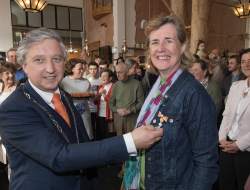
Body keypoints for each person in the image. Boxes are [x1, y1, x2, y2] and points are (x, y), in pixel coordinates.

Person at [0, 28, 163, 190]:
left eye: (56, 59)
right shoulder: (13, 109)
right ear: (25, 66)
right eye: (39, 60)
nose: (50, 68)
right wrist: (130, 142)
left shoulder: (64, 96)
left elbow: (81, 141)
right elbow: (59, 156)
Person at [122, 15, 219, 190]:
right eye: (155, 42)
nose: (161, 48)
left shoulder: (194, 93)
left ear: (182, 47)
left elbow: (206, 162)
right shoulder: (158, 86)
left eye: (168, 41)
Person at [219, 48, 250, 190]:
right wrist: (222, 139)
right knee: (225, 184)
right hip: (227, 146)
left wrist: (239, 145)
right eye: (243, 61)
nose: (246, 64)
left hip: (247, 150)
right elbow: (227, 115)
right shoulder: (236, 86)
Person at [108, 62, 144, 178]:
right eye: (116, 72)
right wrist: (117, 110)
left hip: (132, 118)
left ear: (127, 72)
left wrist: (129, 110)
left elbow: (141, 104)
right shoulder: (116, 85)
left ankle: (133, 167)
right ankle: (123, 167)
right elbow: (110, 104)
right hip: (119, 119)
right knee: (122, 145)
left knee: (133, 144)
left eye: (120, 72)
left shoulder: (137, 84)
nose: (117, 75)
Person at [59, 58, 93, 140]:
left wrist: (92, 95)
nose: (82, 71)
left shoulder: (86, 82)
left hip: (85, 115)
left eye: (83, 69)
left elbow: (92, 99)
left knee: (87, 137)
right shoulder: (63, 82)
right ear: (71, 69)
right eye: (79, 69)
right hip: (69, 113)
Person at [0, 60, 20, 182]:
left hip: (15, 129)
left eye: (12, 72)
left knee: (13, 159)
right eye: (7, 73)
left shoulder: (19, 88)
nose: (11, 75)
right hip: (1, 130)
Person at [94, 68, 115, 140]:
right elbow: (95, 102)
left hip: (109, 116)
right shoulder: (100, 87)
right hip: (99, 115)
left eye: (105, 76)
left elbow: (112, 102)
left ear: (110, 78)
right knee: (100, 136)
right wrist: (98, 95)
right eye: (101, 76)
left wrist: (103, 94)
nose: (102, 78)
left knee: (109, 136)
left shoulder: (114, 87)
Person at [88, 62, 102, 140]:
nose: (93, 71)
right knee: (91, 129)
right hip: (89, 108)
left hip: (99, 108)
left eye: (94, 69)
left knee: (99, 129)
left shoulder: (101, 81)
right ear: (88, 70)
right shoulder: (87, 81)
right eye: (91, 69)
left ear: (98, 69)